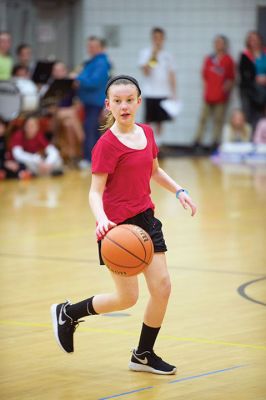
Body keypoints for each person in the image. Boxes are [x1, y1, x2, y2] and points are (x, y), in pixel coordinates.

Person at [51, 75, 197, 375]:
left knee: (163, 287)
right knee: (126, 298)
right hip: (117, 228)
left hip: (146, 219)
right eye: (117, 101)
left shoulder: (147, 132)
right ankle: (68, 313)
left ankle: (143, 354)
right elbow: (95, 191)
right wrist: (102, 219)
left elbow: (155, 171)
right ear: (108, 105)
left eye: (129, 100)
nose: (124, 105)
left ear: (138, 102)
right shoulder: (106, 145)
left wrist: (180, 190)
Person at [193, 35, 235, 152]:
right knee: (203, 119)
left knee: (218, 120)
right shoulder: (209, 59)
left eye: (220, 42)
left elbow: (231, 79)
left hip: (221, 97)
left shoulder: (228, 60)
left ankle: (215, 142)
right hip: (208, 96)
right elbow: (204, 76)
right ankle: (197, 142)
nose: (218, 44)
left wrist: (224, 91)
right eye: (216, 42)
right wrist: (207, 90)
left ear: (224, 45)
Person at [76, 36, 112, 168]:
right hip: (89, 102)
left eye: (93, 46)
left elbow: (94, 81)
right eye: (89, 46)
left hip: (94, 102)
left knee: (90, 129)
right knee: (93, 130)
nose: (90, 49)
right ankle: (97, 158)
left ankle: (88, 158)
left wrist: (78, 79)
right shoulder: (92, 62)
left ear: (100, 48)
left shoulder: (101, 63)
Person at [138, 27, 177, 142]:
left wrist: (174, 93)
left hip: (164, 92)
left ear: (163, 39)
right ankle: (146, 144)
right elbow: (146, 72)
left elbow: (172, 75)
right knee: (148, 121)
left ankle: (158, 145)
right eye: (155, 38)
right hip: (150, 92)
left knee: (161, 121)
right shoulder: (145, 53)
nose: (158, 41)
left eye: (160, 38)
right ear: (152, 39)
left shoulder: (168, 56)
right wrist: (153, 55)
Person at [239, 31, 266, 130]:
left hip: (264, 89)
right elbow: (243, 73)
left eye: (255, 39)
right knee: (248, 115)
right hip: (248, 90)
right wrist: (255, 78)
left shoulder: (265, 54)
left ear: (260, 40)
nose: (253, 41)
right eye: (251, 39)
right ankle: (249, 139)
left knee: (262, 115)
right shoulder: (245, 55)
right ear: (248, 42)